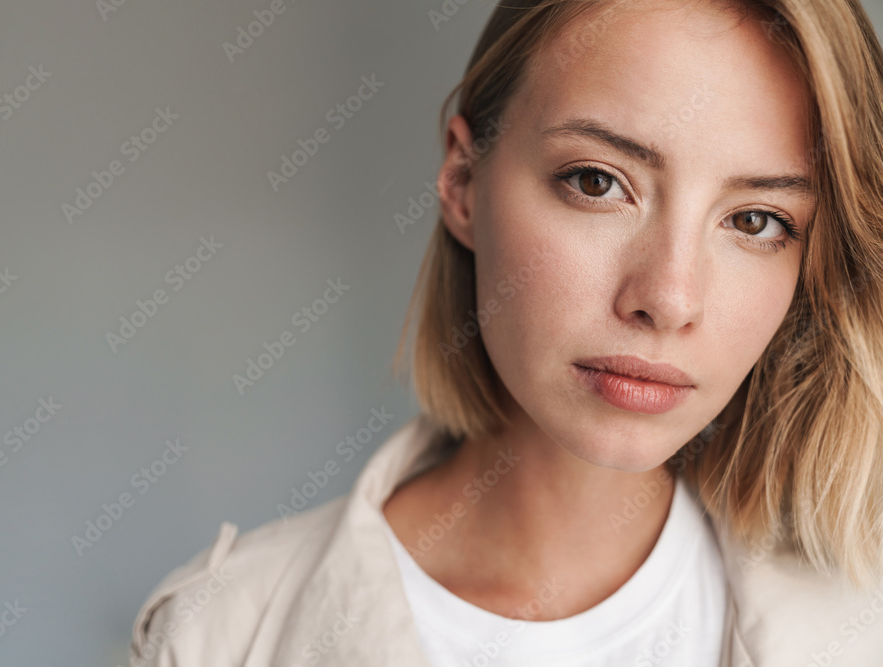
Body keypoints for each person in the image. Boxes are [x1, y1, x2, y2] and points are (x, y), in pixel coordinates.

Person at [128, 0, 883, 664]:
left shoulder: (864, 624)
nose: (668, 297)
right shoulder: (220, 637)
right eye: (597, 181)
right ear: (462, 180)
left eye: (756, 221)